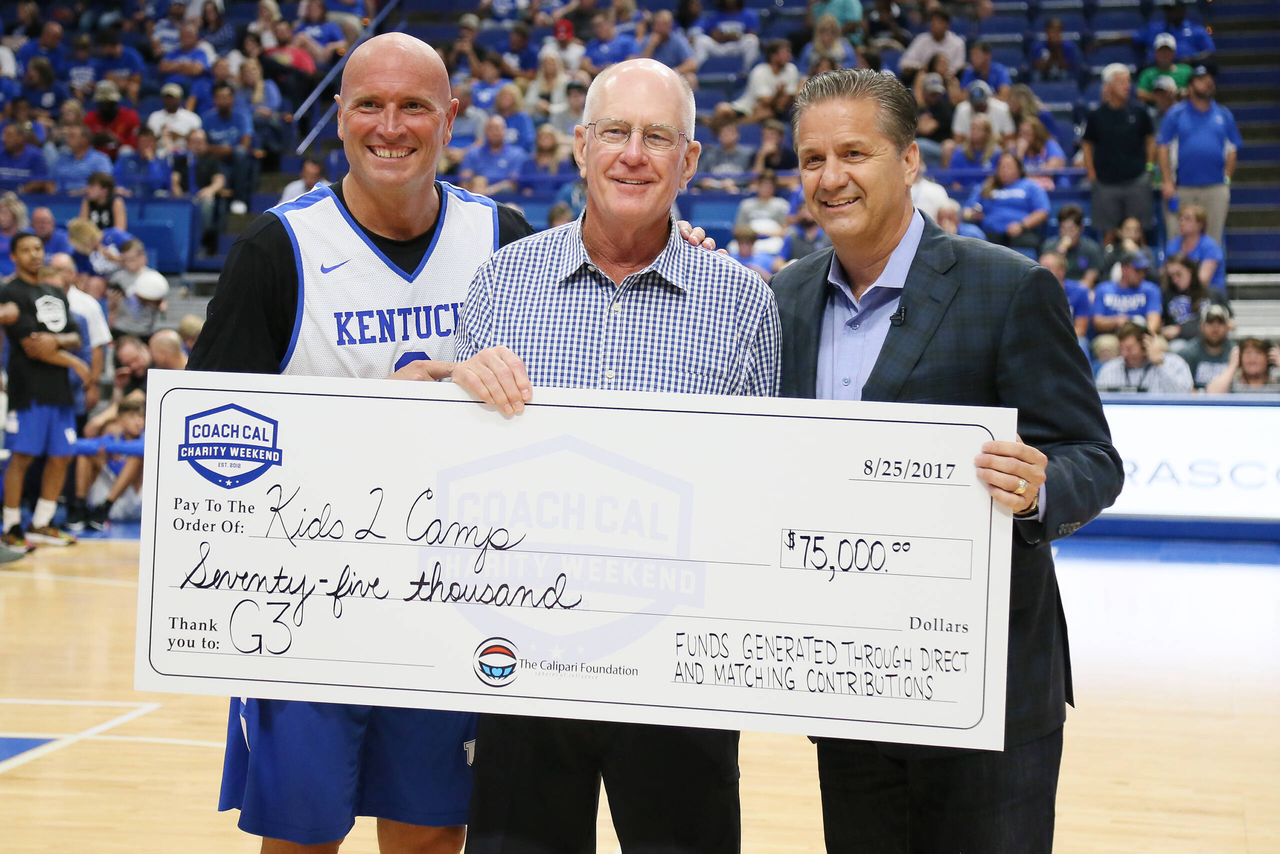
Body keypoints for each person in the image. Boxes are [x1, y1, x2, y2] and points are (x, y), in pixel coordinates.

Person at [188, 32, 538, 854]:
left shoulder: (507, 238)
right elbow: (200, 445)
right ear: (337, 118)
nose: (391, 125)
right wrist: (368, 415)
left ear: (450, 117)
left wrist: (685, 244)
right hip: (311, 604)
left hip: (453, 599)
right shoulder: (275, 250)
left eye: (414, 105)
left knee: (426, 838)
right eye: (369, 105)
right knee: (303, 842)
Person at [769, 68, 1122, 853]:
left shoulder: (1008, 287)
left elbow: (1093, 458)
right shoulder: (784, 300)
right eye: (812, 159)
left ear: (911, 160)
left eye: (854, 152)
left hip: (987, 690)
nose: (830, 178)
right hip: (850, 684)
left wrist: (1039, 488)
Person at [449, 56, 779, 854]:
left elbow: (758, 497)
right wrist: (451, 387)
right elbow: (449, 474)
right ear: (580, 146)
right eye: (616, 133)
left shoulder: (744, 304)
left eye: (658, 137)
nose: (634, 154)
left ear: (690, 160)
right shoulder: (501, 283)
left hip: (678, 679)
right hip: (522, 663)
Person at [0, 231, 88, 550]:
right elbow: (33, 346)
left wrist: (61, 342)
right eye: (25, 250)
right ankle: (11, 526)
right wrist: (76, 364)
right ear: (13, 256)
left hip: (59, 389)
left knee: (63, 456)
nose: (34, 255)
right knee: (22, 456)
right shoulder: (10, 292)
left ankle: (42, 522)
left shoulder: (55, 292)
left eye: (38, 248)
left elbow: (75, 336)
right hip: (29, 387)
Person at [1157, 66, 1241, 246]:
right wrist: (1167, 182)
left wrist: (1226, 179)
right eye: (1202, 80)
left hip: (1215, 188)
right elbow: (1163, 148)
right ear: (1190, 86)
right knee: (1178, 239)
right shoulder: (1175, 114)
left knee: (1213, 240)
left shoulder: (1224, 115)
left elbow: (1232, 149)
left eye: (1210, 80)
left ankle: (1210, 275)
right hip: (1182, 188)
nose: (1208, 83)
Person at [1081, 64, 1156, 239]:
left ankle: (1143, 265)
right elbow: (1087, 145)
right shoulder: (1096, 116)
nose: (1127, 85)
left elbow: (1151, 140)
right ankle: (1107, 266)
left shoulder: (1139, 112)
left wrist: (1149, 167)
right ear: (1108, 86)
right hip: (1106, 183)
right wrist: (1091, 173)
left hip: (1136, 180)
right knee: (1108, 233)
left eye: (1128, 81)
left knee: (1139, 232)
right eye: (1121, 81)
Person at [962, 153, 1050, 249]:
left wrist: (1022, 226)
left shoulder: (1031, 186)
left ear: (1019, 169)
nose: (1004, 170)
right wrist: (972, 215)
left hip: (1021, 233)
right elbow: (966, 210)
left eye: (1008, 167)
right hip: (990, 234)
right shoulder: (986, 187)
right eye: (1001, 167)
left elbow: (1043, 212)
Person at [715, 38, 800, 125]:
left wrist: (779, 97)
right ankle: (731, 126)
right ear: (773, 56)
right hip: (747, 107)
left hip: (772, 112)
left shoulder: (792, 69)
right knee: (722, 109)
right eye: (785, 53)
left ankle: (735, 126)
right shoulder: (760, 71)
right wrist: (779, 94)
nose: (789, 56)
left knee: (766, 113)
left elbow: (781, 105)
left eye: (789, 53)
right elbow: (765, 100)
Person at [1095, 321, 1192, 392]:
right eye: (1121, 349)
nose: (1124, 354)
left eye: (1129, 349)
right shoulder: (1110, 368)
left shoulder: (1174, 363)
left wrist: (1159, 363)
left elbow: (1184, 394)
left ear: (1145, 345)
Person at [1093, 251, 1163, 334]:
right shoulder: (1103, 289)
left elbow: (1153, 322)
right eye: (1137, 270)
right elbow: (1097, 322)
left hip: (1141, 335)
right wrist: (1118, 321)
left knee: (1159, 345)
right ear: (1123, 269)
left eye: (1144, 271)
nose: (1142, 274)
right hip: (1111, 335)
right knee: (1106, 344)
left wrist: (1140, 335)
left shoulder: (1151, 289)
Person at [459, 115, 528, 195]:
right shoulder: (473, 153)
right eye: (491, 128)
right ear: (485, 131)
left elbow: (513, 183)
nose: (495, 132)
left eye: (499, 128)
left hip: (506, 199)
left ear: (505, 131)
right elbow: (464, 181)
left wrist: (488, 191)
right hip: (476, 198)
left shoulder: (517, 154)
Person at [1165, 203, 1225, 292]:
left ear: (1200, 224)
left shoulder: (1210, 246)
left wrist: (1181, 276)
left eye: (1187, 219)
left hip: (1207, 295)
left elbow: (1203, 280)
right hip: (1178, 294)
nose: (1182, 222)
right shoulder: (1173, 245)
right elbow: (1166, 274)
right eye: (1180, 218)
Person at [1039, 204, 1102, 289]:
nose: (1067, 233)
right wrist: (1058, 256)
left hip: (1079, 292)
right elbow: (1044, 278)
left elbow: (1088, 282)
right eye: (1063, 229)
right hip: (1053, 289)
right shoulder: (1049, 247)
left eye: (1071, 229)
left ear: (1081, 228)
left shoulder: (1092, 248)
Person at [1175, 302, 1233, 388]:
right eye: (1210, 322)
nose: (1215, 327)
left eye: (1220, 322)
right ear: (1201, 326)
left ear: (1227, 327)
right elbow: (1180, 386)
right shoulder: (1187, 353)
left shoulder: (1235, 353)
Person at [691, 0, 761, 71]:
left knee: (751, 40)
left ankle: (747, 71)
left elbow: (752, 34)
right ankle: (696, 71)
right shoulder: (715, 15)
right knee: (701, 40)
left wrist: (727, 35)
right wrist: (732, 35)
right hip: (720, 47)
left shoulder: (749, 14)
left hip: (737, 46)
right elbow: (714, 36)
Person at [898, 7, 966, 78]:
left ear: (947, 24)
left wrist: (941, 70)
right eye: (933, 22)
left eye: (939, 22)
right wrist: (921, 66)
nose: (935, 26)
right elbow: (904, 63)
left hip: (947, 79)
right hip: (924, 79)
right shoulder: (921, 39)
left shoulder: (957, 43)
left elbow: (959, 67)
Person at [1039, 250, 1091, 340]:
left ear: (1062, 271)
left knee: (1082, 343)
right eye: (1040, 267)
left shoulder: (1079, 292)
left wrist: (1056, 337)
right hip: (1041, 338)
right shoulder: (1031, 291)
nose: (1042, 271)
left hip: (1069, 338)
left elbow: (1080, 330)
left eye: (1048, 267)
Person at [84, 79, 141, 161]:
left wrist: (116, 139)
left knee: (126, 150)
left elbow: (134, 144)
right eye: (102, 103)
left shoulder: (130, 116)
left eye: (108, 103)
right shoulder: (90, 117)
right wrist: (94, 138)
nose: (105, 107)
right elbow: (82, 142)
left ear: (115, 102)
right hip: (96, 158)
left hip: (121, 158)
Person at [50, 124, 115, 195]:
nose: (67, 138)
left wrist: (78, 193)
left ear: (84, 140)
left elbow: (104, 184)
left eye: (72, 136)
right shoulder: (61, 158)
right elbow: (49, 181)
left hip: (88, 199)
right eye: (68, 136)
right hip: (59, 200)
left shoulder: (101, 160)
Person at [950, 80, 1014, 151]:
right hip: (969, 147)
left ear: (988, 98)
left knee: (1010, 145)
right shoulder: (962, 108)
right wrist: (977, 139)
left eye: (981, 104)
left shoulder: (1002, 108)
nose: (978, 107)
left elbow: (1009, 136)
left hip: (995, 147)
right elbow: (957, 138)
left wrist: (988, 139)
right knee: (948, 145)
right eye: (976, 104)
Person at [1205, 336, 1280, 393]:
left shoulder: (1276, 378)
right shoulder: (1232, 379)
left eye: (1258, 353)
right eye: (1248, 353)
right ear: (1240, 357)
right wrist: (1232, 366)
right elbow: (1212, 393)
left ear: (1268, 357)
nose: (1252, 358)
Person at [147, 82, 204, 157]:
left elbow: (199, 141)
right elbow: (148, 140)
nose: (169, 101)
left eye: (173, 98)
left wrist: (179, 136)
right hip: (159, 155)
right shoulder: (154, 117)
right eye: (167, 98)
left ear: (180, 99)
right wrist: (161, 135)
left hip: (186, 155)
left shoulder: (192, 118)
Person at [639, 9, 698, 80]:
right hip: (651, 77)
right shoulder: (647, 41)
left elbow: (692, 64)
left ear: (671, 26)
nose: (662, 28)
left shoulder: (678, 40)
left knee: (691, 78)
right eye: (660, 24)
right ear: (654, 26)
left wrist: (672, 73)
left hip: (672, 76)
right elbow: (642, 66)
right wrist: (651, 45)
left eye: (666, 24)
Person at [697, 120, 755, 191]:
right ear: (719, 136)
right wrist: (705, 182)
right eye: (723, 133)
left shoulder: (748, 155)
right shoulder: (709, 154)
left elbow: (752, 178)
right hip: (711, 192)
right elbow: (698, 177)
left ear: (737, 135)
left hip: (737, 191)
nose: (726, 135)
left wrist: (735, 183)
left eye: (730, 132)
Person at [1136, 33, 1191, 105]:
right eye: (1161, 51)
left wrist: (1179, 94)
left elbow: (1196, 89)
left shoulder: (1186, 71)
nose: (1164, 54)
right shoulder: (1148, 73)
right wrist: (1160, 98)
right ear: (1155, 53)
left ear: (1174, 53)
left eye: (1168, 51)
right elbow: (1140, 93)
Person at [734, 168, 790, 235]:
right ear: (758, 185)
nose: (766, 188)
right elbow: (738, 229)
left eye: (769, 185)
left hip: (774, 240)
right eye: (763, 184)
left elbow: (786, 229)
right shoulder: (746, 205)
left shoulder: (782, 205)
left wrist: (769, 234)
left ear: (774, 186)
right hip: (750, 240)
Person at [1017, 117, 1066, 190]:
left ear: (1037, 134)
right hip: (1028, 189)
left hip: (1054, 187)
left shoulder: (1050, 145)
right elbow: (1014, 174)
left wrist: (1027, 176)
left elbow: (1052, 168)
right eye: (1021, 133)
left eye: (1027, 133)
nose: (1023, 137)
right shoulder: (1019, 150)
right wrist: (1020, 154)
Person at [0, 121, 49, 193]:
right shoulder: (1, 153)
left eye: (9, 135)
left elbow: (40, 181)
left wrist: (18, 192)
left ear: (21, 138)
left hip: (27, 198)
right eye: (4, 135)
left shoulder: (35, 155)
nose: (4, 139)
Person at [1030, 18, 1081, 82]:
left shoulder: (1069, 47)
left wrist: (1058, 49)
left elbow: (1069, 66)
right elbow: (1036, 66)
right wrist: (1049, 58)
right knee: (1036, 75)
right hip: (1044, 73)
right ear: (1047, 31)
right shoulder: (1038, 46)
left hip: (1063, 73)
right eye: (1052, 31)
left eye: (1058, 30)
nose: (1055, 34)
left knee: (1064, 75)